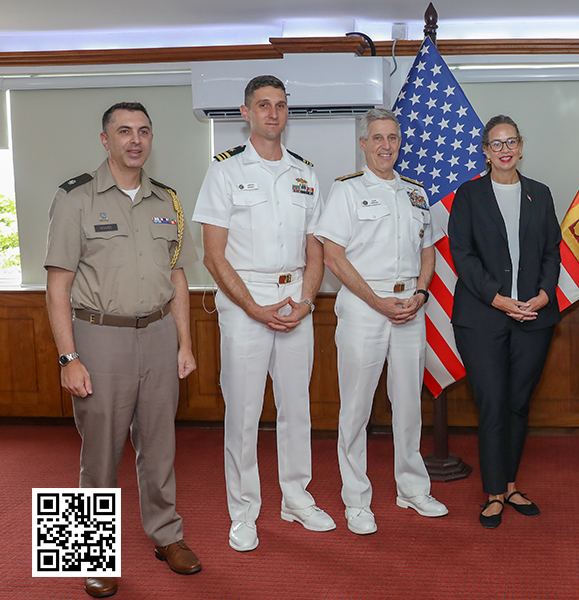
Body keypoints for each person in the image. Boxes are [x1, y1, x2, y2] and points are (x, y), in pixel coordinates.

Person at [45, 102, 201, 598]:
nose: (136, 140)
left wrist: (184, 343)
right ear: (105, 139)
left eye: (144, 131)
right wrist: (68, 358)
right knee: (100, 451)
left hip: (158, 335)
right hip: (100, 336)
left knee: (160, 446)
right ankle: (90, 557)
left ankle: (166, 535)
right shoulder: (75, 198)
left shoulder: (167, 199)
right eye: (125, 131)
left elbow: (177, 276)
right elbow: (58, 286)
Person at [192, 75, 333, 552]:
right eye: (263, 105)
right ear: (245, 112)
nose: (273, 113)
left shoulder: (305, 172)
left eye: (280, 105)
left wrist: (307, 302)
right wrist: (252, 307)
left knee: (297, 408)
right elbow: (213, 255)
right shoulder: (224, 170)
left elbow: (315, 249)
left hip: (296, 298)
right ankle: (244, 512)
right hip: (244, 299)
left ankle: (296, 498)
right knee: (244, 412)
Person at [316, 108, 448, 535]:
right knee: (356, 407)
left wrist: (421, 293)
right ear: (363, 144)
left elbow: (427, 249)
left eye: (392, 137)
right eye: (377, 138)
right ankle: (356, 501)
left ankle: (412, 489)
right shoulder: (347, 191)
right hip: (363, 306)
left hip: (410, 306)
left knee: (408, 404)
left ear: (399, 143)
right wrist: (376, 301)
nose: (385, 145)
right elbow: (332, 256)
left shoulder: (415, 192)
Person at [448, 115, 561, 529]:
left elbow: (552, 251)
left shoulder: (540, 194)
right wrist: (498, 299)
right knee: (493, 403)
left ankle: (511, 485)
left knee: (517, 404)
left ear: (521, 145)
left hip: (534, 316)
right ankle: (493, 492)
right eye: (496, 143)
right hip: (482, 318)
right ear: (485, 150)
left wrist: (545, 294)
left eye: (511, 141)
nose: (504, 150)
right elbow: (462, 255)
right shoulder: (469, 194)